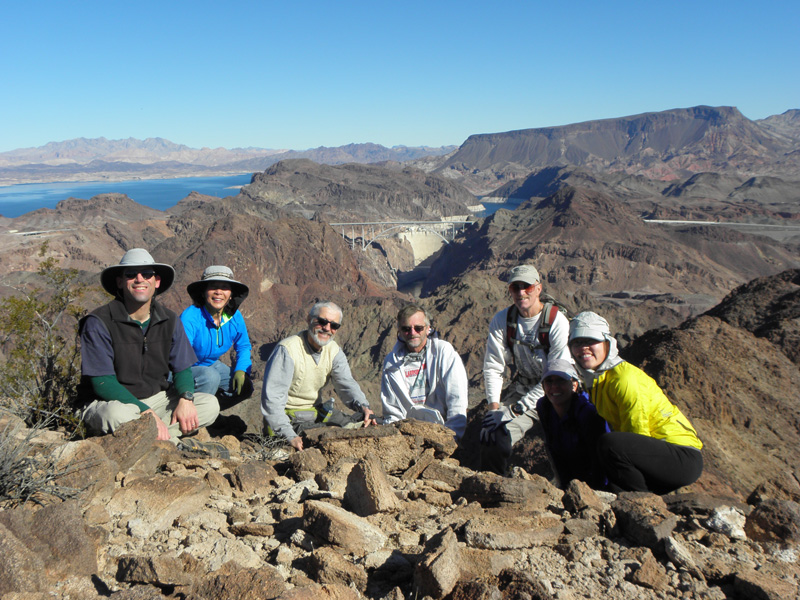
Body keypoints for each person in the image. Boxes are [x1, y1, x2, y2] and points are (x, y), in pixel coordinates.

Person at [78, 248, 220, 448]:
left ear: (157, 281)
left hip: (156, 399)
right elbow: (102, 382)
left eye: (146, 274)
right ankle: (171, 443)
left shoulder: (170, 320)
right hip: (112, 403)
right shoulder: (99, 322)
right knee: (116, 415)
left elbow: (182, 369)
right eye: (130, 275)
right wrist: (145, 412)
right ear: (120, 281)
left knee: (209, 405)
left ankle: (148, 436)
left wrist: (186, 398)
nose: (139, 279)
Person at [568, 311, 703, 494]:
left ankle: (641, 503)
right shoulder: (599, 381)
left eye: (591, 341)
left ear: (607, 343)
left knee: (610, 444)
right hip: (659, 455)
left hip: (681, 457)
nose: (583, 348)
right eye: (577, 342)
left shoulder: (623, 379)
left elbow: (636, 432)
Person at [480, 264, 571, 474]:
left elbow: (556, 375)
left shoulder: (556, 321)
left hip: (558, 391)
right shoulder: (502, 320)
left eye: (527, 287)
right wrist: (495, 408)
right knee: (493, 435)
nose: (521, 293)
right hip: (525, 387)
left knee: (566, 445)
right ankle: (492, 487)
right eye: (515, 288)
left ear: (538, 288)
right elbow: (493, 365)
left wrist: (516, 409)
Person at [261, 301, 376, 450]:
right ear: (309, 320)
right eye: (322, 322)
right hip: (289, 419)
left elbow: (346, 384)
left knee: (367, 422)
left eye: (334, 325)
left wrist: (364, 406)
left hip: (316, 412)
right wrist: (289, 435)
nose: (327, 328)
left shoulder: (334, 351)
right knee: (326, 439)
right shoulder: (288, 350)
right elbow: (273, 401)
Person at [380, 304, 468, 438]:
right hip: (407, 436)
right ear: (400, 332)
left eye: (418, 328)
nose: (412, 333)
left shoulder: (444, 353)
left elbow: (457, 398)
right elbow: (392, 410)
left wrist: (452, 438)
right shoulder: (391, 363)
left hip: (442, 431)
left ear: (428, 329)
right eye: (406, 329)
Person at [181, 266, 253, 402]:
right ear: (203, 292)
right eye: (213, 287)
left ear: (231, 294)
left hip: (210, 364)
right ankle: (195, 417)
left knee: (245, 387)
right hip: (184, 369)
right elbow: (181, 358)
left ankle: (212, 415)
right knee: (211, 377)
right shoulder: (190, 318)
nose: (218, 292)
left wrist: (241, 370)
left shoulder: (234, 317)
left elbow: (243, 346)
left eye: (225, 287)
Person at [536, 359, 609, 490]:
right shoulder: (544, 407)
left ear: (574, 385)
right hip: (571, 482)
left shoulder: (587, 412)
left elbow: (599, 458)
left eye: (561, 380)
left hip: (599, 482)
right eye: (549, 381)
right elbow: (553, 449)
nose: (554, 386)